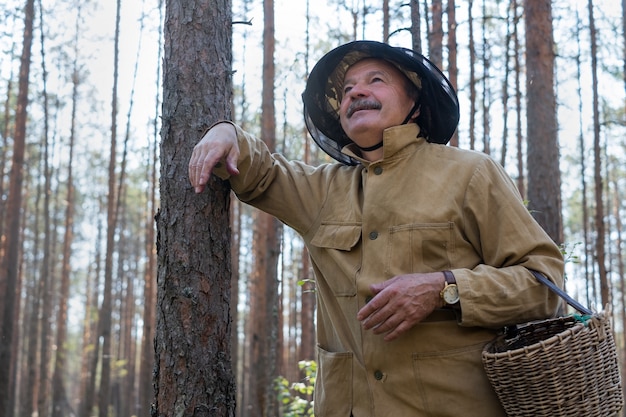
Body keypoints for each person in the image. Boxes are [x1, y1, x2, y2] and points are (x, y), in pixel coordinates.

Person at [188, 40, 564, 417]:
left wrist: (443, 288)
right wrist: (226, 132)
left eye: (376, 80)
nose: (356, 92)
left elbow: (543, 285)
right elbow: (263, 173)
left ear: (414, 103)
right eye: (347, 89)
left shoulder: (471, 173)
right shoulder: (321, 190)